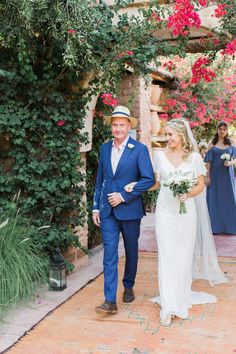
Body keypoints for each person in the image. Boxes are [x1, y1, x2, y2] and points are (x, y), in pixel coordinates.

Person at [125, 118, 227, 327]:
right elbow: (156, 183)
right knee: (167, 255)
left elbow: (201, 184)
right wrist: (137, 185)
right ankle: (168, 305)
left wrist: (188, 194)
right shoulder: (159, 156)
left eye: (171, 134)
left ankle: (180, 298)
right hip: (165, 211)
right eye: (167, 134)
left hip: (185, 211)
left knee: (182, 255)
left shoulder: (195, 157)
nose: (168, 138)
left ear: (181, 135)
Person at [92, 105, 155, 315]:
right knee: (109, 254)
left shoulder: (139, 149)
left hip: (130, 210)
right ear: (111, 127)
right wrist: (95, 207)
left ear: (129, 126)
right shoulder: (104, 149)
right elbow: (100, 180)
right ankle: (109, 300)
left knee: (130, 251)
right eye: (115, 125)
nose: (118, 129)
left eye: (122, 125)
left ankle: (128, 285)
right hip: (108, 212)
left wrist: (124, 195)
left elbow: (148, 179)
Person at [205, 121, 236, 235]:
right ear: (217, 130)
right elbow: (208, 162)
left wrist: (231, 162)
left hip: (227, 176)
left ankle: (231, 227)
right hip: (215, 175)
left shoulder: (232, 142)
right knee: (215, 199)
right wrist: (207, 176)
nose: (222, 131)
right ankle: (215, 227)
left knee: (229, 199)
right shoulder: (211, 143)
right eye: (220, 129)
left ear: (227, 131)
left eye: (224, 129)